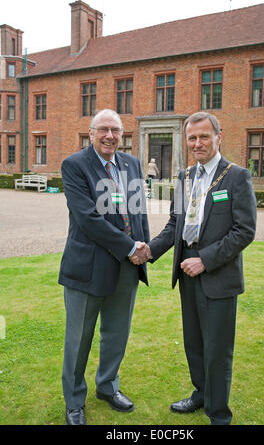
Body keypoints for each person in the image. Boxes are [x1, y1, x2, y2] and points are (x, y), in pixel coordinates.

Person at [134, 111, 257, 425]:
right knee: (194, 342)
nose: (198, 143)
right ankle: (200, 395)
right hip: (186, 275)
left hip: (217, 275)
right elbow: (175, 223)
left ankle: (218, 412)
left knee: (218, 348)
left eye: (204, 136)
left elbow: (244, 230)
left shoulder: (236, 176)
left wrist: (206, 259)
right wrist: (149, 250)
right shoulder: (184, 176)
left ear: (218, 137)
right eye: (192, 138)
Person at [58, 109, 150, 425]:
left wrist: (144, 248)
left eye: (115, 130)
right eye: (104, 130)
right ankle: (74, 401)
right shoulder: (75, 165)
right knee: (79, 338)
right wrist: (129, 247)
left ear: (122, 134)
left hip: (126, 268)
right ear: (92, 132)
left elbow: (138, 213)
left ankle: (108, 387)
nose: (110, 135)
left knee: (116, 333)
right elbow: (88, 219)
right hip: (87, 268)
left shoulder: (132, 164)